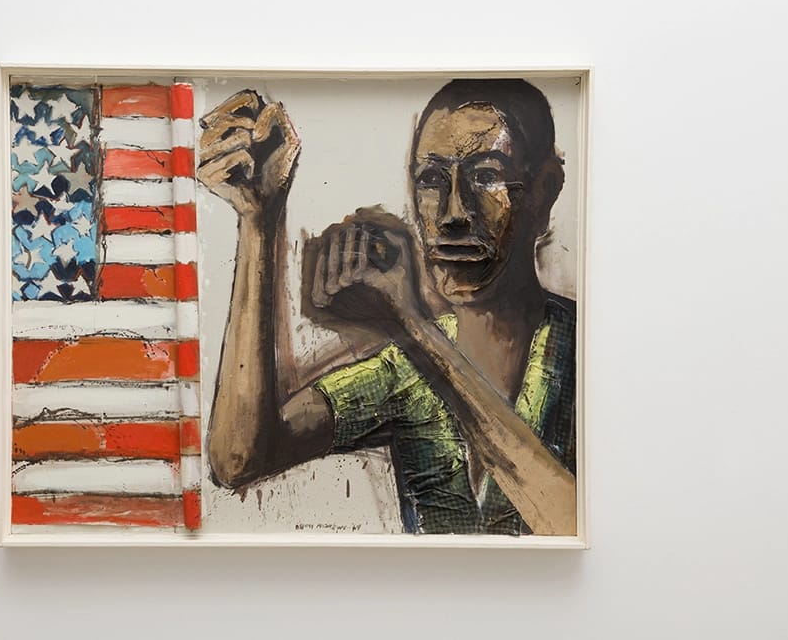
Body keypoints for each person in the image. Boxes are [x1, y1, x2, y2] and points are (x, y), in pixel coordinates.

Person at [197, 79, 576, 535]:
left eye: (486, 175)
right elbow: (239, 459)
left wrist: (413, 326)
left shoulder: (584, 348)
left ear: (545, 189)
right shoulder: (404, 372)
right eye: (432, 180)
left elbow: (569, 521)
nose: (453, 214)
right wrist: (259, 220)